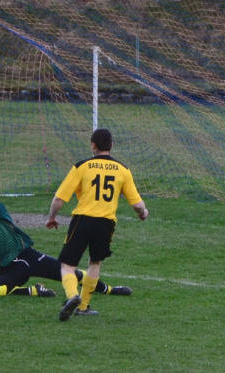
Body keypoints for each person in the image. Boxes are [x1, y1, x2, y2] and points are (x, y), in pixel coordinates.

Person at [0, 187, 133, 298]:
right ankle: (33, 291)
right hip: (11, 268)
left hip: (29, 256)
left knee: (70, 273)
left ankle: (109, 289)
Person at [46, 128, 149, 321]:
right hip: (106, 223)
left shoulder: (82, 166)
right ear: (111, 146)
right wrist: (143, 213)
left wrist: (52, 216)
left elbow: (59, 198)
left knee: (68, 266)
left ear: (93, 146)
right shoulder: (123, 170)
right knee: (95, 262)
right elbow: (137, 204)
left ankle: (72, 296)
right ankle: (83, 306)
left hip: (83, 220)